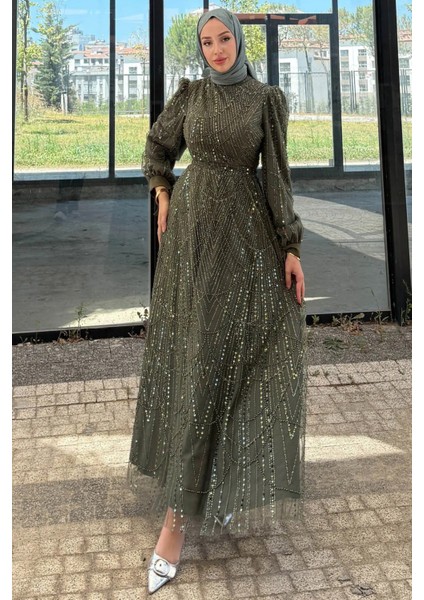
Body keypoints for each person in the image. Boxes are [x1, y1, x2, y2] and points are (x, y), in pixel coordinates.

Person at [128, 7, 307, 595]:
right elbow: (157, 148)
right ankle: (176, 520)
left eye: (224, 38)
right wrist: (162, 193)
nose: (216, 49)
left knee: (236, 359)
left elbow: (277, 176)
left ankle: (215, 486)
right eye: (206, 42)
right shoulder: (192, 95)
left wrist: (290, 246)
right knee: (197, 361)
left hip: (245, 240)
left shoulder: (265, 100)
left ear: (239, 40)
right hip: (193, 242)